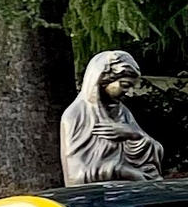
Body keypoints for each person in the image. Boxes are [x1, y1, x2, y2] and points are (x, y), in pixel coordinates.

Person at [59, 50, 165, 184]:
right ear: (102, 80)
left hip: (128, 194)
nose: (129, 92)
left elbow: (152, 153)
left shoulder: (122, 112)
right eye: (125, 86)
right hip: (97, 198)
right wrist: (121, 170)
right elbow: (75, 177)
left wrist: (134, 135)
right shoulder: (75, 115)